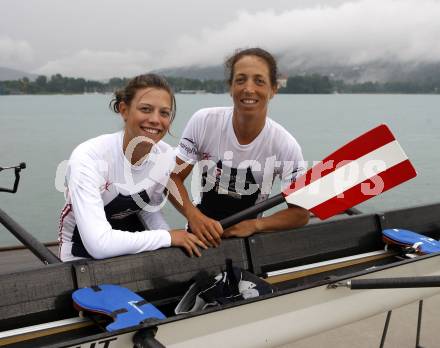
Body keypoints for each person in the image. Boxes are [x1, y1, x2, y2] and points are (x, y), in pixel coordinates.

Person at [170, 48, 310, 248]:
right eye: (241, 80)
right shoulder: (204, 121)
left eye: (259, 81)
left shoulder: (285, 145)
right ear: (230, 87)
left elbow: (301, 213)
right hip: (198, 238)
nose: (249, 89)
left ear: (273, 89)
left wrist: (256, 224)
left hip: (247, 245)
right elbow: (173, 177)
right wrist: (194, 216)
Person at [58, 74, 207, 261]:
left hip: (130, 242)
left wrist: (174, 242)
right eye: (145, 109)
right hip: (80, 251)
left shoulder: (165, 156)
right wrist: (167, 237)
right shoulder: (90, 157)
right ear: (124, 110)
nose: (155, 119)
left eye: (164, 113)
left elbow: (149, 208)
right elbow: (99, 245)